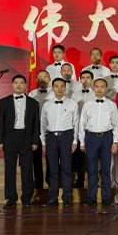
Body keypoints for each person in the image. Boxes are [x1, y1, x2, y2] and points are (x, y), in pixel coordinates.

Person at [0, 74, 40, 208]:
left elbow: (36, 124)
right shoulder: (4, 102)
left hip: (26, 137)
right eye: (16, 82)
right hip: (10, 137)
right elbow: (1, 123)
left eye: (21, 83)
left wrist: (35, 141)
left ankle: (26, 198)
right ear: (12, 85)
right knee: (10, 169)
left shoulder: (33, 103)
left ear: (25, 86)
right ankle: (11, 198)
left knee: (27, 169)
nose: (19, 85)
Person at [78, 78, 118, 206]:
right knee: (92, 170)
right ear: (93, 88)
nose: (100, 89)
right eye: (97, 86)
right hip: (91, 138)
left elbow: (116, 124)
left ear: (106, 89)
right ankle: (92, 198)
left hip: (107, 138)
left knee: (106, 169)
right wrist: (82, 142)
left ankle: (106, 197)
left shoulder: (111, 105)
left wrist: (115, 141)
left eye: (102, 86)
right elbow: (82, 123)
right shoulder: (87, 105)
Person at [40, 78, 79, 206]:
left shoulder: (72, 104)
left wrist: (75, 141)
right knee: (52, 169)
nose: (59, 88)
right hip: (51, 138)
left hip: (66, 137)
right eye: (56, 86)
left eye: (62, 86)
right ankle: (53, 198)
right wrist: (44, 143)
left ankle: (67, 198)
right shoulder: (47, 105)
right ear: (52, 88)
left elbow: (76, 123)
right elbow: (43, 125)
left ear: (65, 88)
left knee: (66, 169)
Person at [29, 70, 52, 194]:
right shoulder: (32, 94)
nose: (42, 79)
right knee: (36, 157)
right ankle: (38, 183)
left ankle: (50, 181)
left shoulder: (54, 93)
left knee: (51, 156)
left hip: (50, 127)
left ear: (49, 79)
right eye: (40, 77)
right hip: (36, 127)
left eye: (45, 77)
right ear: (36, 80)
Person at [71, 70, 95, 188]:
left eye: (88, 77)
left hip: (91, 128)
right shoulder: (75, 94)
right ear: (80, 80)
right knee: (79, 156)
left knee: (91, 156)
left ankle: (93, 181)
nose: (85, 80)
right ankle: (79, 180)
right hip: (78, 127)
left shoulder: (95, 94)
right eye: (83, 77)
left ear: (92, 80)